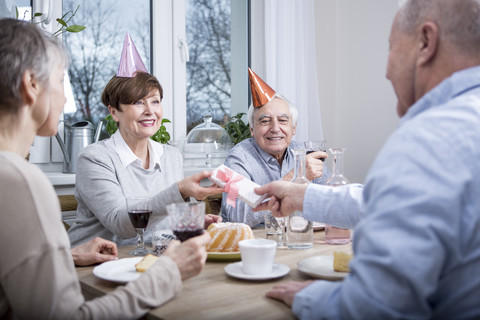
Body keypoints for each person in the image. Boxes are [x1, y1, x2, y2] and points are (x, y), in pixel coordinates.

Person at [254, 0, 480, 318]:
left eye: (391, 48)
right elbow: (400, 204)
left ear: (426, 42)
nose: (386, 71)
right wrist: (303, 195)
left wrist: (315, 298)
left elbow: (374, 308)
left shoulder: (430, 138)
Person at [0, 18, 211, 319]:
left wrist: (67, 256)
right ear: (31, 86)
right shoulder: (20, 181)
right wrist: (168, 273)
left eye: (155, 101)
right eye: (61, 81)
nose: (64, 98)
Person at [67, 33, 224, 247]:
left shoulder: (171, 156)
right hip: (94, 265)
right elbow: (121, 224)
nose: (150, 111)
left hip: (146, 259)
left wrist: (191, 223)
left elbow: (163, 218)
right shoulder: (94, 158)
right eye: (138, 102)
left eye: (155, 101)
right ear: (114, 112)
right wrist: (179, 191)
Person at [220, 68, 329, 227]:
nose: (275, 128)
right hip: (255, 245)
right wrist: (296, 176)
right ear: (252, 129)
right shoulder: (238, 158)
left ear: (293, 128)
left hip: (301, 240)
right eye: (265, 121)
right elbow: (237, 216)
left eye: (283, 121)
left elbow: (332, 201)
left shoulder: (304, 153)